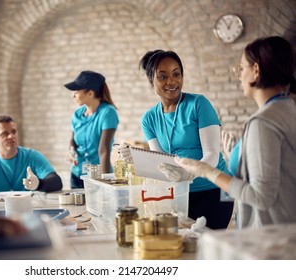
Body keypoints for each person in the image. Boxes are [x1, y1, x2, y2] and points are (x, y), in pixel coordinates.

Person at [175, 36, 296, 229]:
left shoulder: (263, 123)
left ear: (256, 71)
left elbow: (261, 196)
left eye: (241, 68)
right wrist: (239, 158)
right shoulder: (288, 108)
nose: (239, 76)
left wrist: (207, 171)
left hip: (269, 236)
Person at [119, 50, 234, 229]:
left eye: (176, 74)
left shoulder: (198, 103)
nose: (171, 81)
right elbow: (160, 163)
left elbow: (211, 153)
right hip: (179, 195)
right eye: (163, 77)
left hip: (215, 189)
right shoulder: (149, 118)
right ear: (152, 81)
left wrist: (190, 173)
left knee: (208, 248)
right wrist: (137, 158)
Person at [0, 114, 63, 193]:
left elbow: (56, 182)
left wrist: (39, 184)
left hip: (26, 206)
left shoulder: (32, 156)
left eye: (14, 132)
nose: (11, 136)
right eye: (4, 134)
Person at [64, 70, 119, 189]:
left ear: (90, 93)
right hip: (76, 175)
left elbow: (104, 149)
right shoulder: (77, 114)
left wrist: (105, 183)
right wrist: (71, 149)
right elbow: (73, 140)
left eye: (77, 91)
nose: (73, 95)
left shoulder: (108, 113)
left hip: (98, 176)